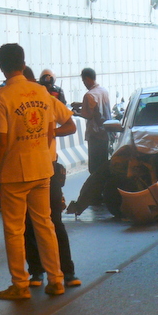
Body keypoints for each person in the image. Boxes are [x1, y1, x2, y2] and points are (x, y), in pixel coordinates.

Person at [0, 43, 64, 300]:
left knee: (14, 229)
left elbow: (1, 140)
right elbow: (51, 129)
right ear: (23, 63)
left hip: (13, 172)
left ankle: (20, 285)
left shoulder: (2, 96)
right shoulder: (43, 92)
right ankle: (56, 279)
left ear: (1, 66)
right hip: (42, 168)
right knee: (45, 224)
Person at [25, 68, 81, 288]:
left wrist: (52, 133)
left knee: (54, 222)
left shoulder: (47, 99)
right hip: (26, 168)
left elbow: (70, 124)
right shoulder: (11, 98)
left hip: (47, 168)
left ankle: (66, 271)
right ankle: (37, 272)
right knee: (29, 224)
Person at [65, 68, 112, 216]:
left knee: (94, 168)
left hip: (95, 135)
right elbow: (96, 108)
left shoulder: (89, 95)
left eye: (83, 80)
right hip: (106, 133)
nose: (84, 83)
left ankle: (95, 197)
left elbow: (87, 115)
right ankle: (104, 194)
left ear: (87, 79)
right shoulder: (103, 91)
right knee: (103, 166)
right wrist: (81, 104)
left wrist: (75, 112)